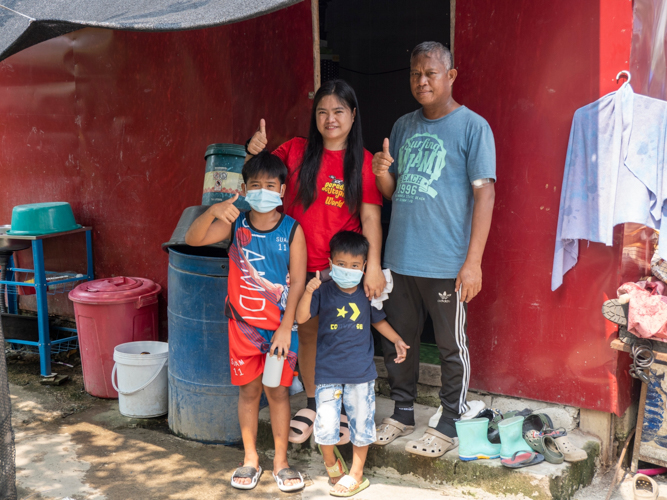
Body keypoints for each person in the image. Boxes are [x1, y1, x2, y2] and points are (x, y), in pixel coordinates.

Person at [372, 41, 496, 457]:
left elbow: (485, 196)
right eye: (414, 74)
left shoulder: (473, 127)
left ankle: (451, 419)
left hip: (446, 262)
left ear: (451, 76)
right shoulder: (404, 126)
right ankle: (402, 411)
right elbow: (394, 193)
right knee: (399, 340)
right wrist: (383, 173)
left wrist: (473, 263)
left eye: (430, 73)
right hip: (401, 257)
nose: (421, 81)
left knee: (449, 344)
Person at [245, 79, 385, 444]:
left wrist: (372, 266)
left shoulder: (364, 162)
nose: (330, 118)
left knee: (341, 336)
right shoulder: (294, 151)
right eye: (322, 111)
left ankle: (338, 408)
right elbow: (258, 178)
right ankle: (313, 403)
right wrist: (251, 150)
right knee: (307, 335)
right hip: (296, 265)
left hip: (341, 271)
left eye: (338, 111)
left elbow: (370, 218)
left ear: (353, 115)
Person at [184, 152, 307, 492]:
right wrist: (212, 210)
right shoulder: (235, 223)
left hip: (281, 331)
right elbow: (193, 239)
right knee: (249, 392)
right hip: (242, 327)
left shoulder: (292, 229)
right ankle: (250, 459)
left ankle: (281, 462)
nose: (263, 191)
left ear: (282, 189)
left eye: (271, 185)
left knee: (278, 394)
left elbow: (297, 281)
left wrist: (286, 326)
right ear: (244, 188)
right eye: (256, 185)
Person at [295, 231, 409, 497]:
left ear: (364, 267)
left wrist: (397, 340)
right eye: (341, 264)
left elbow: (377, 320)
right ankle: (331, 464)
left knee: (362, 425)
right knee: (325, 428)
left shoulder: (366, 292)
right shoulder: (323, 291)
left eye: (355, 265)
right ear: (330, 262)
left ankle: (356, 474)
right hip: (327, 373)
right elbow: (302, 318)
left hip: (360, 374)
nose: (348, 270)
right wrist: (308, 291)